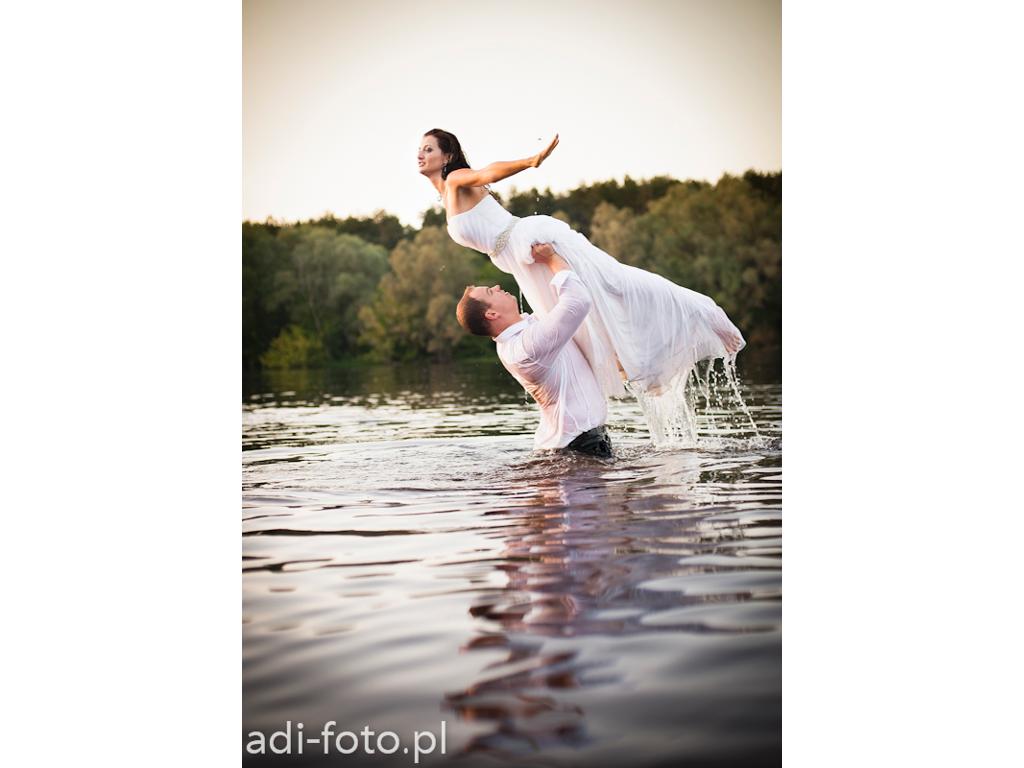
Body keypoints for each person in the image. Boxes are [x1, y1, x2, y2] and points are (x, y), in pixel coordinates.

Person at [419, 128, 746, 399]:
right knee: (575, 317)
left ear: (447, 156)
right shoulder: (445, 197)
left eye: (429, 149)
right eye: (420, 149)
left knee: (611, 283)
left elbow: (487, 172)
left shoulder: (456, 180)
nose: (421, 154)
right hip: (517, 260)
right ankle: (638, 368)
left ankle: (703, 315)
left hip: (531, 240)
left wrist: (530, 161)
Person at [456, 242, 613, 458]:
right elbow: (577, 301)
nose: (499, 288)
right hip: (579, 448)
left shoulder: (524, 331)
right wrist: (551, 259)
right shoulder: (525, 348)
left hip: (573, 445)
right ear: (491, 314)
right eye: (492, 292)